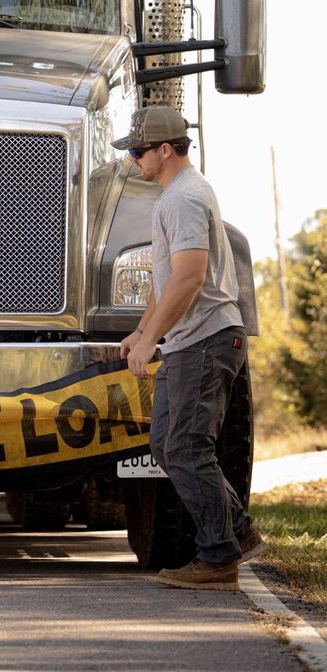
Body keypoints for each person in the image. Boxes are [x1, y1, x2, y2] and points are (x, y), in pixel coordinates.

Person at [113, 105, 265, 589]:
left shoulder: (183, 198)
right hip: (190, 340)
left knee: (185, 445)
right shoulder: (172, 197)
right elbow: (166, 278)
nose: (134, 159)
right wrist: (142, 330)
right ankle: (237, 531)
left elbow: (191, 276)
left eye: (139, 151)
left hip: (205, 338)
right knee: (167, 444)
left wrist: (152, 338)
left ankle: (219, 556)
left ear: (164, 149)